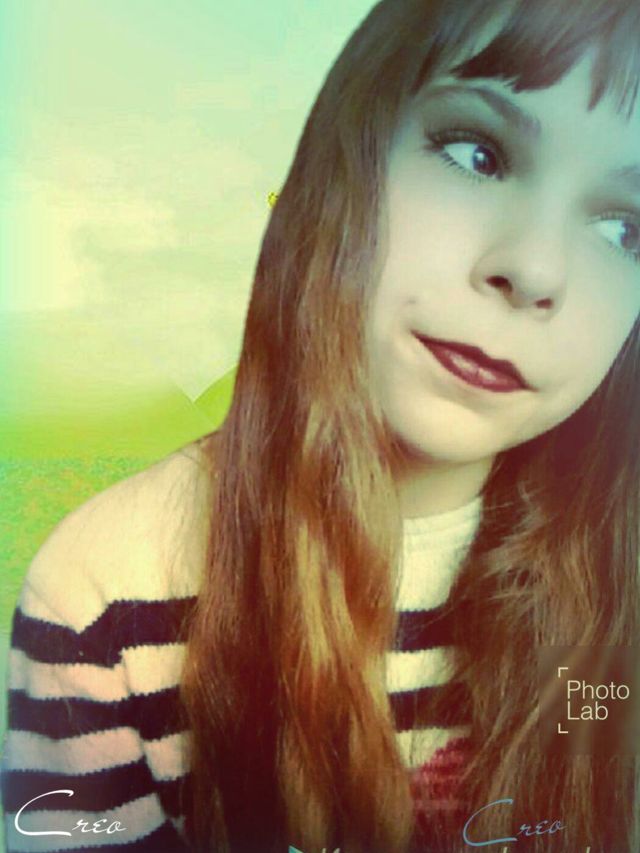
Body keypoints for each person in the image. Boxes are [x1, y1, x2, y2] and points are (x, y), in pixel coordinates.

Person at [3, 0, 640, 850]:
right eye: (476, 153)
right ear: (344, 162)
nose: (534, 269)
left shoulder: (618, 584)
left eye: (624, 228)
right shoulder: (103, 594)